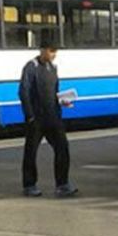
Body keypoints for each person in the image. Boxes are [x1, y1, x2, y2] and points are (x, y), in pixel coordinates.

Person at [19, 41, 77, 198]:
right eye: (51, 51)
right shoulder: (31, 67)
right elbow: (24, 92)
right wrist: (30, 116)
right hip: (36, 119)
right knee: (31, 151)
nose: (54, 55)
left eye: (55, 51)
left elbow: (54, 92)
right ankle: (29, 185)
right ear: (43, 50)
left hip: (53, 117)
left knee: (62, 148)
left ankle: (62, 184)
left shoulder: (53, 68)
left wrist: (63, 101)